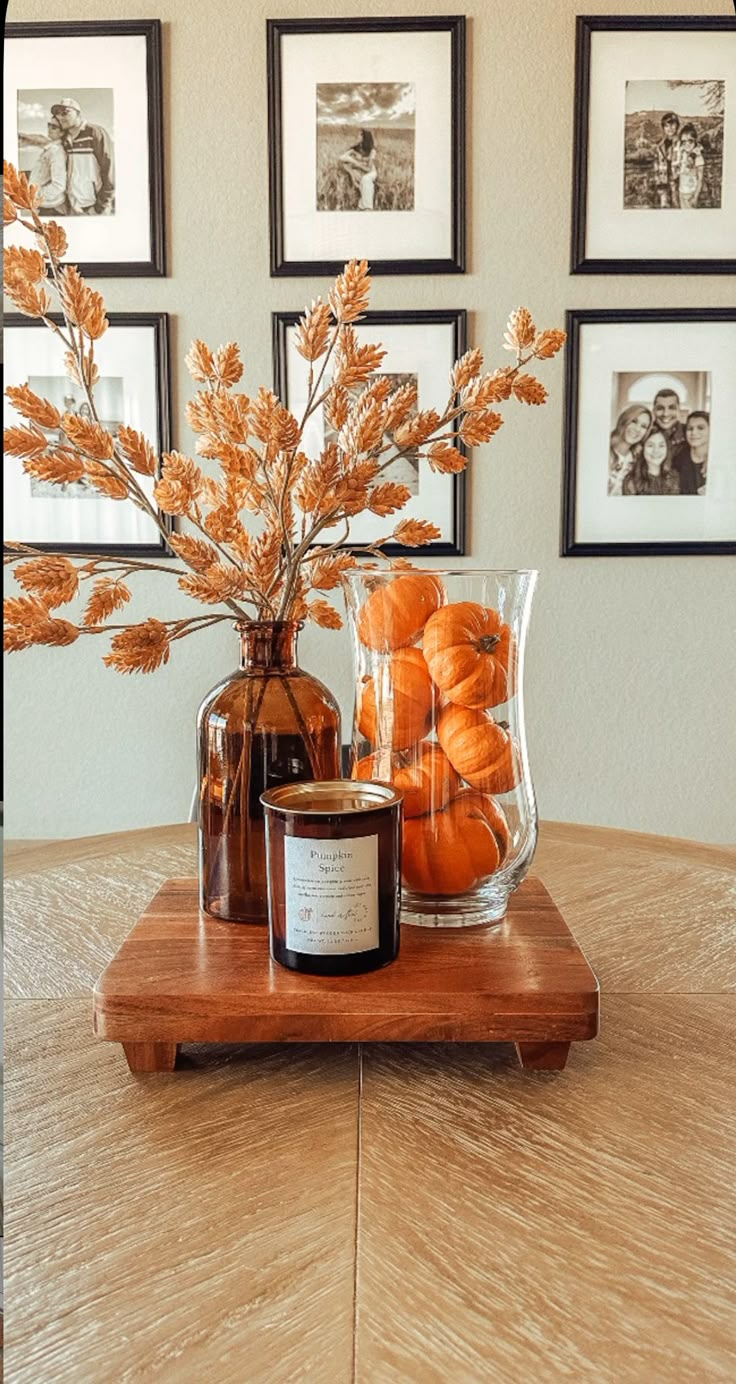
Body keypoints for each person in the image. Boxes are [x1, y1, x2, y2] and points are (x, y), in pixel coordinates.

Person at [51, 97, 114, 216]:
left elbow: (110, 171)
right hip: (72, 206)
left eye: (65, 112)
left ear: (78, 113)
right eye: (57, 114)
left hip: (93, 207)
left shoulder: (95, 132)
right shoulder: (65, 139)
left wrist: (100, 207)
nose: (60, 117)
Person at [608, 404, 652, 495]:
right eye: (634, 421)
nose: (637, 429)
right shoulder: (602, 447)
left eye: (643, 426)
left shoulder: (636, 460)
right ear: (624, 420)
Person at [623, 428, 680, 495]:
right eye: (650, 445)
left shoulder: (674, 476)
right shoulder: (631, 481)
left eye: (661, 446)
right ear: (642, 449)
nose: (656, 451)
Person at [32, 116, 68, 215]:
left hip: (51, 208)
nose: (49, 129)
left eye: (54, 127)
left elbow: (58, 185)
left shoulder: (56, 152)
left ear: (62, 132)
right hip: (46, 206)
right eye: (49, 125)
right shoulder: (51, 149)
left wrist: (35, 195)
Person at [338, 128, 378, 210]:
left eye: (359, 135)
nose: (357, 136)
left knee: (366, 179)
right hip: (359, 169)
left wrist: (357, 165)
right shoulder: (354, 149)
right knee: (360, 179)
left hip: (371, 172)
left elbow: (368, 169)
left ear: (364, 138)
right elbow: (341, 158)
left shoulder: (371, 150)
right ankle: (361, 206)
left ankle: (367, 207)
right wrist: (353, 162)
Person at [672, 411, 709, 495]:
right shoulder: (679, 455)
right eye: (690, 428)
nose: (694, 433)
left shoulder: (720, 457)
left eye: (700, 428)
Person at [651, 387, 686, 469]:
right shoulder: (644, 434)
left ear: (679, 410)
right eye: (660, 408)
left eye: (671, 408)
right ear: (653, 411)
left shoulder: (690, 433)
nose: (666, 414)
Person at [653, 111, 681, 208]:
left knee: (677, 204)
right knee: (664, 205)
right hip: (663, 180)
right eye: (667, 126)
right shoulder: (659, 146)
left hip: (677, 179)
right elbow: (656, 165)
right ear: (663, 128)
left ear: (677, 126)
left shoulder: (680, 143)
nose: (670, 129)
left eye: (673, 125)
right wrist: (657, 180)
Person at [677, 123, 705, 209]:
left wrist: (695, 197)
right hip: (682, 192)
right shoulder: (683, 154)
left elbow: (700, 179)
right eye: (684, 141)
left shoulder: (698, 157)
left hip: (692, 194)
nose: (687, 144)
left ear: (695, 141)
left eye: (690, 141)